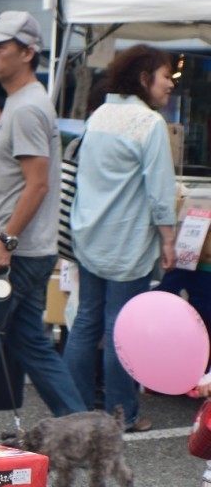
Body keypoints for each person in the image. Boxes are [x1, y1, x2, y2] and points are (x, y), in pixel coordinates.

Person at [0, 10, 86, 439]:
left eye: (0, 47)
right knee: (30, 343)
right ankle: (86, 429)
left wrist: (4, 242)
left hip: (16, 250)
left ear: (28, 53)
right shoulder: (25, 101)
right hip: (32, 249)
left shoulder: (26, 108)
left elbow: (38, 184)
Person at [62, 45, 177, 433]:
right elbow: (161, 192)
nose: (171, 86)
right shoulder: (149, 124)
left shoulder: (99, 116)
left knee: (86, 322)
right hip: (127, 241)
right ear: (145, 78)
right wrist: (168, 239)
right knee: (120, 329)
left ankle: (73, 409)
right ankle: (122, 412)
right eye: (166, 77)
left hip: (89, 235)